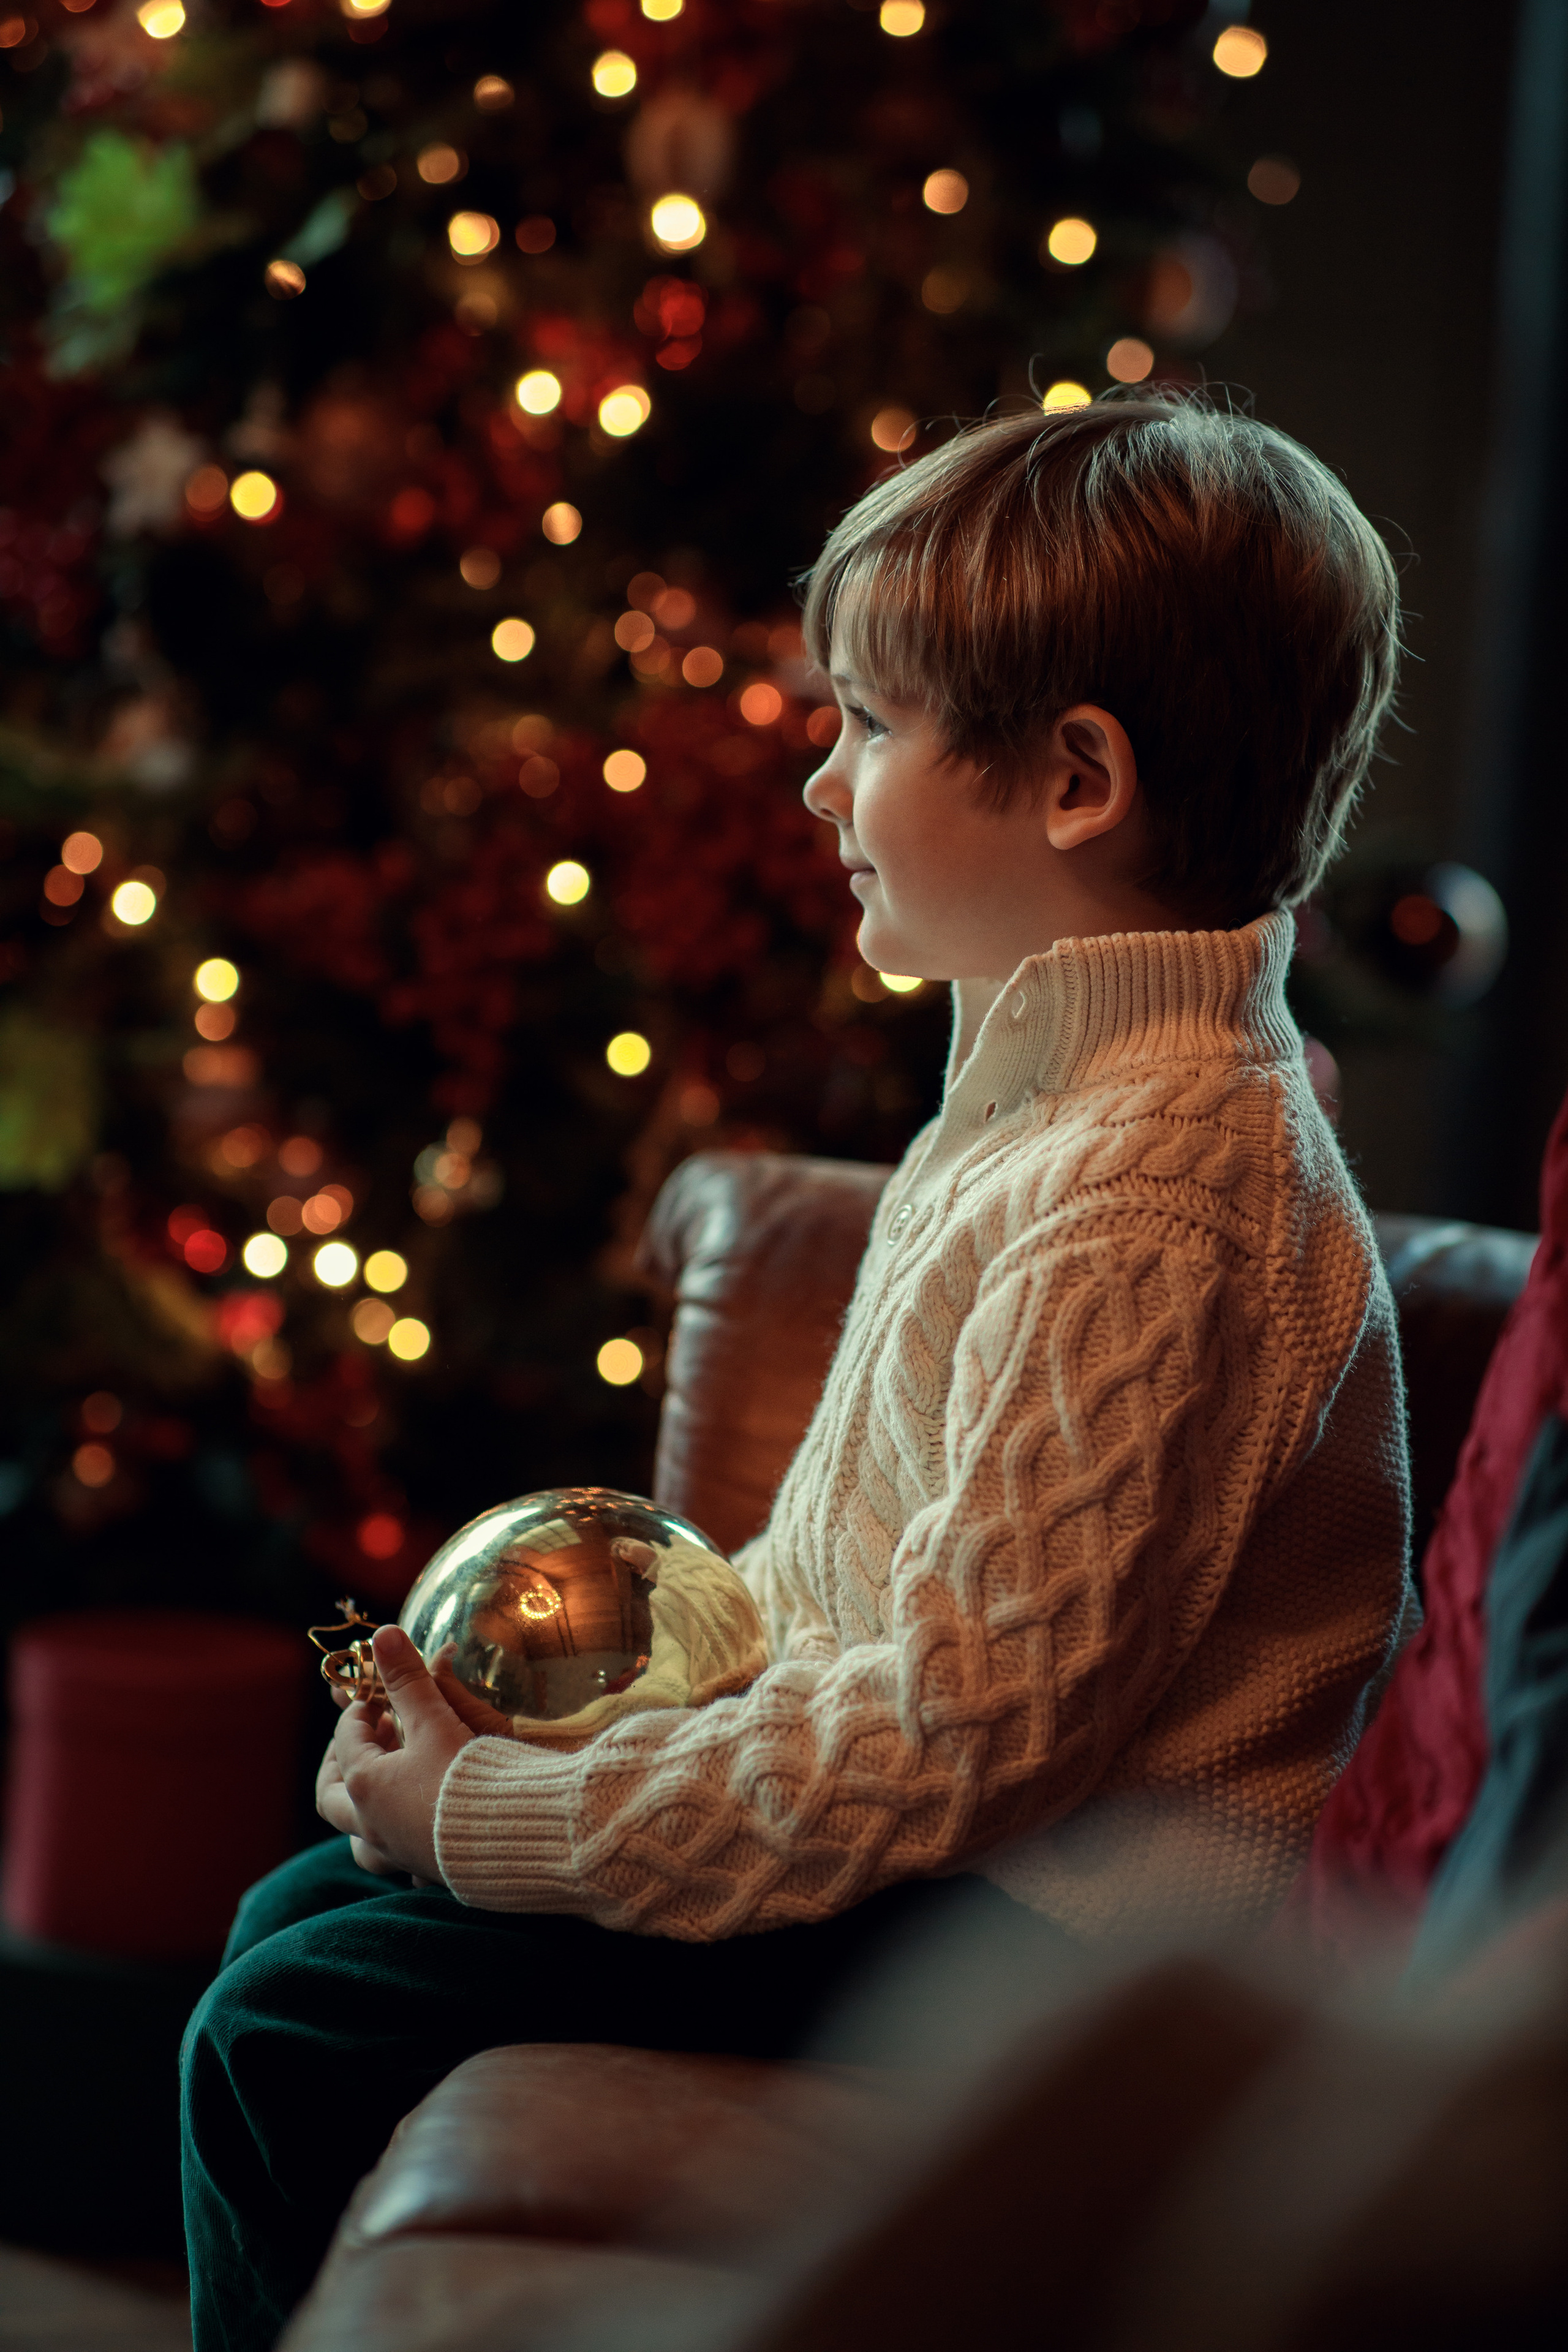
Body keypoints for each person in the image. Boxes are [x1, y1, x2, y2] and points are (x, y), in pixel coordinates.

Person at [181, 391, 1413, 2348]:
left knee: (292, 2019)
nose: (824, 790)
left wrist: (501, 1825)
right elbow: (865, 1588)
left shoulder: (1158, 1191)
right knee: (297, 1924)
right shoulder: (1050, 1087)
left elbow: (953, 1740)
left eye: (868, 725)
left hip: (1036, 1925)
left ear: (1075, 778)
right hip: (959, 1848)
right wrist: (536, 1751)